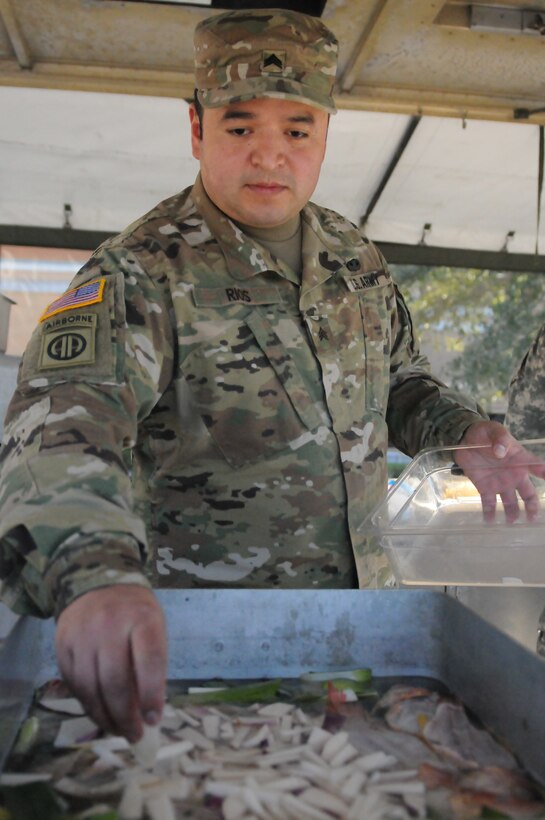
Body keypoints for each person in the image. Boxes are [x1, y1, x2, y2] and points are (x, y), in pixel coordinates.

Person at [0, 8, 542, 742]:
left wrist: (463, 430)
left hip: (362, 640)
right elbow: (61, 431)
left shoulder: (350, 255)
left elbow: (399, 376)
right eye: (238, 127)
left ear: (323, 133)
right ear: (196, 128)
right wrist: (95, 576)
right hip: (211, 652)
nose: (269, 156)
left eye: (296, 130)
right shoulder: (141, 274)